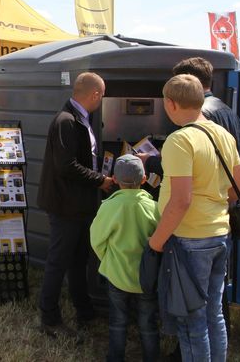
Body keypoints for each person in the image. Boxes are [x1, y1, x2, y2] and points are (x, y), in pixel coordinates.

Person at [147, 75, 240, 361]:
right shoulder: (222, 135)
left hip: (189, 240)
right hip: (219, 234)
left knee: (191, 322)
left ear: (170, 103)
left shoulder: (179, 140)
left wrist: (156, 242)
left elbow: (181, 201)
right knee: (213, 314)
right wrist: (214, 204)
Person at [38, 72, 114, 338]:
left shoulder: (82, 120)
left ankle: (84, 310)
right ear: (94, 94)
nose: (101, 100)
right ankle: (49, 317)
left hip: (80, 205)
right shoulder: (66, 121)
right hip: (65, 205)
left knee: (79, 260)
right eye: (101, 96)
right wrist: (100, 180)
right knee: (59, 261)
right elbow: (66, 166)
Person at [90, 154, 160, 362]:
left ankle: (115, 357)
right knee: (148, 322)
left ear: (115, 179)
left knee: (118, 321)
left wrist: (108, 259)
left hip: (117, 275)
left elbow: (96, 240)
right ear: (145, 179)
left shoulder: (109, 207)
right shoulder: (154, 207)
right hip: (147, 279)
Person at [172, 57, 240, 146]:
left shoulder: (196, 112)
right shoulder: (229, 112)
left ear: (189, 81)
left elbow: (189, 154)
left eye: (177, 82)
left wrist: (150, 159)